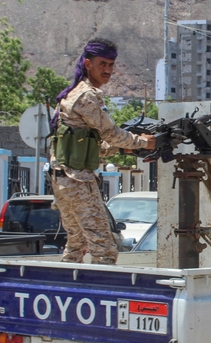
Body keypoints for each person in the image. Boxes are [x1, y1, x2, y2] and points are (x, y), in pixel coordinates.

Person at [50, 38, 155, 264]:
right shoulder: (86, 96)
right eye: (102, 64)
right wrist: (145, 142)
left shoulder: (72, 93)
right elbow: (110, 132)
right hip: (77, 181)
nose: (107, 70)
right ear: (88, 64)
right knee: (104, 248)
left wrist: (123, 146)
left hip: (62, 179)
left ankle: (67, 287)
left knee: (76, 244)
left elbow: (88, 145)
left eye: (111, 65)